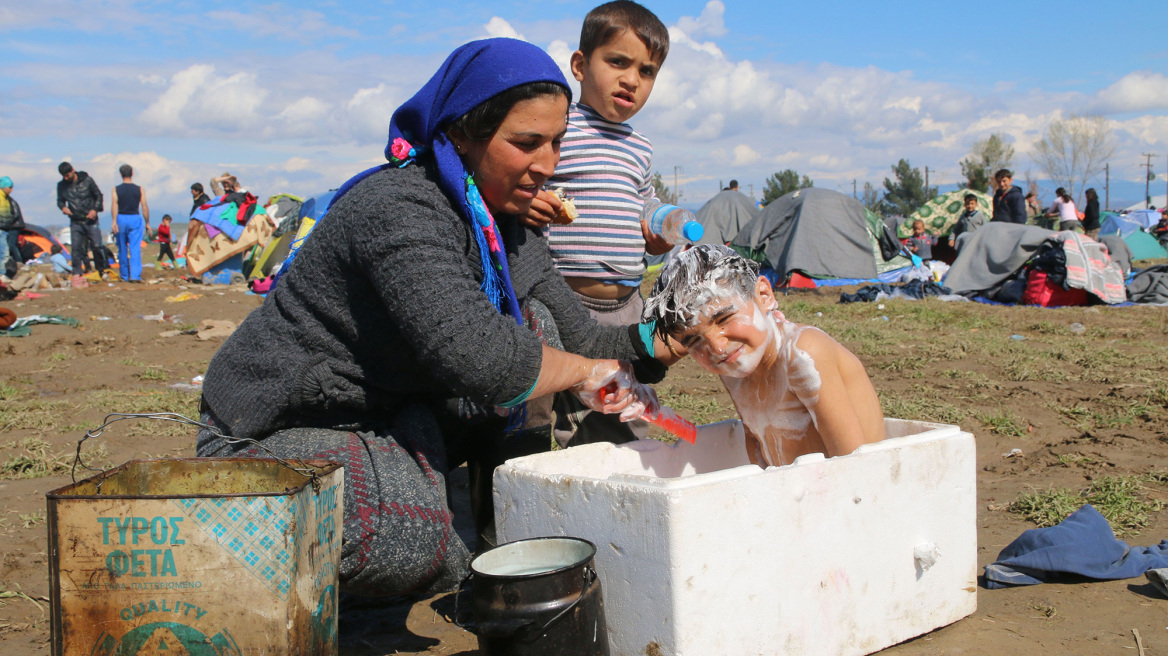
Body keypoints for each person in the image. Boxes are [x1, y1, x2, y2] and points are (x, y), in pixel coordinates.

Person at [196, 38, 673, 598]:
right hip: (275, 432)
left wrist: (678, 336)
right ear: (463, 134)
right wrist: (588, 374)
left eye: (557, 142)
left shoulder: (508, 228)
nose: (547, 165)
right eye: (526, 143)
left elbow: (586, 332)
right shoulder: (400, 208)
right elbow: (481, 356)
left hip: (389, 417)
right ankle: (427, 540)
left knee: (537, 319)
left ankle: (489, 525)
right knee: (410, 537)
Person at [527, 0, 674, 445]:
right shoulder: (562, 126)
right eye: (617, 62)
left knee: (619, 405)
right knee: (541, 405)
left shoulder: (639, 146)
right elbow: (527, 178)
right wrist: (534, 200)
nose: (631, 79)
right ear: (580, 65)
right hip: (562, 301)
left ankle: (621, 482)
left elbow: (642, 201)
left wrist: (657, 231)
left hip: (626, 303)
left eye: (646, 71)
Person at [644, 244, 885, 467]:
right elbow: (756, 443)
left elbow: (854, 467)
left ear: (764, 295)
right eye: (695, 340)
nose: (717, 347)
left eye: (724, 318)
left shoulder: (804, 354)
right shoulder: (735, 366)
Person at [57, 161, 108, 286]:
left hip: (91, 220)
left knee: (97, 245)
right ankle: (77, 272)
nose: (66, 178)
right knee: (76, 248)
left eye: (67, 175)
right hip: (75, 221)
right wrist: (63, 208)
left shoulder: (87, 180)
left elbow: (99, 196)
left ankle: (101, 269)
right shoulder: (61, 185)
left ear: (72, 170)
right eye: (63, 176)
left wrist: (95, 209)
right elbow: (60, 201)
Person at [111, 164, 151, 283]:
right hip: (135, 217)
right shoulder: (140, 189)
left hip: (121, 218)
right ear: (132, 173)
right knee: (135, 248)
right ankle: (135, 276)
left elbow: (114, 205)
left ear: (120, 174)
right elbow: (144, 206)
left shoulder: (115, 189)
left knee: (122, 248)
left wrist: (114, 221)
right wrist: (147, 222)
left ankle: (124, 276)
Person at [0, 176, 25, 276]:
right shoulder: (2, 198)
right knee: (5, 253)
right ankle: (2, 275)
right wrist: (8, 222)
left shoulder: (6, 199)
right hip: (2, 228)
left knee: (5, 252)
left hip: (5, 228)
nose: (11, 190)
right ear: (4, 187)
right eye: (10, 187)